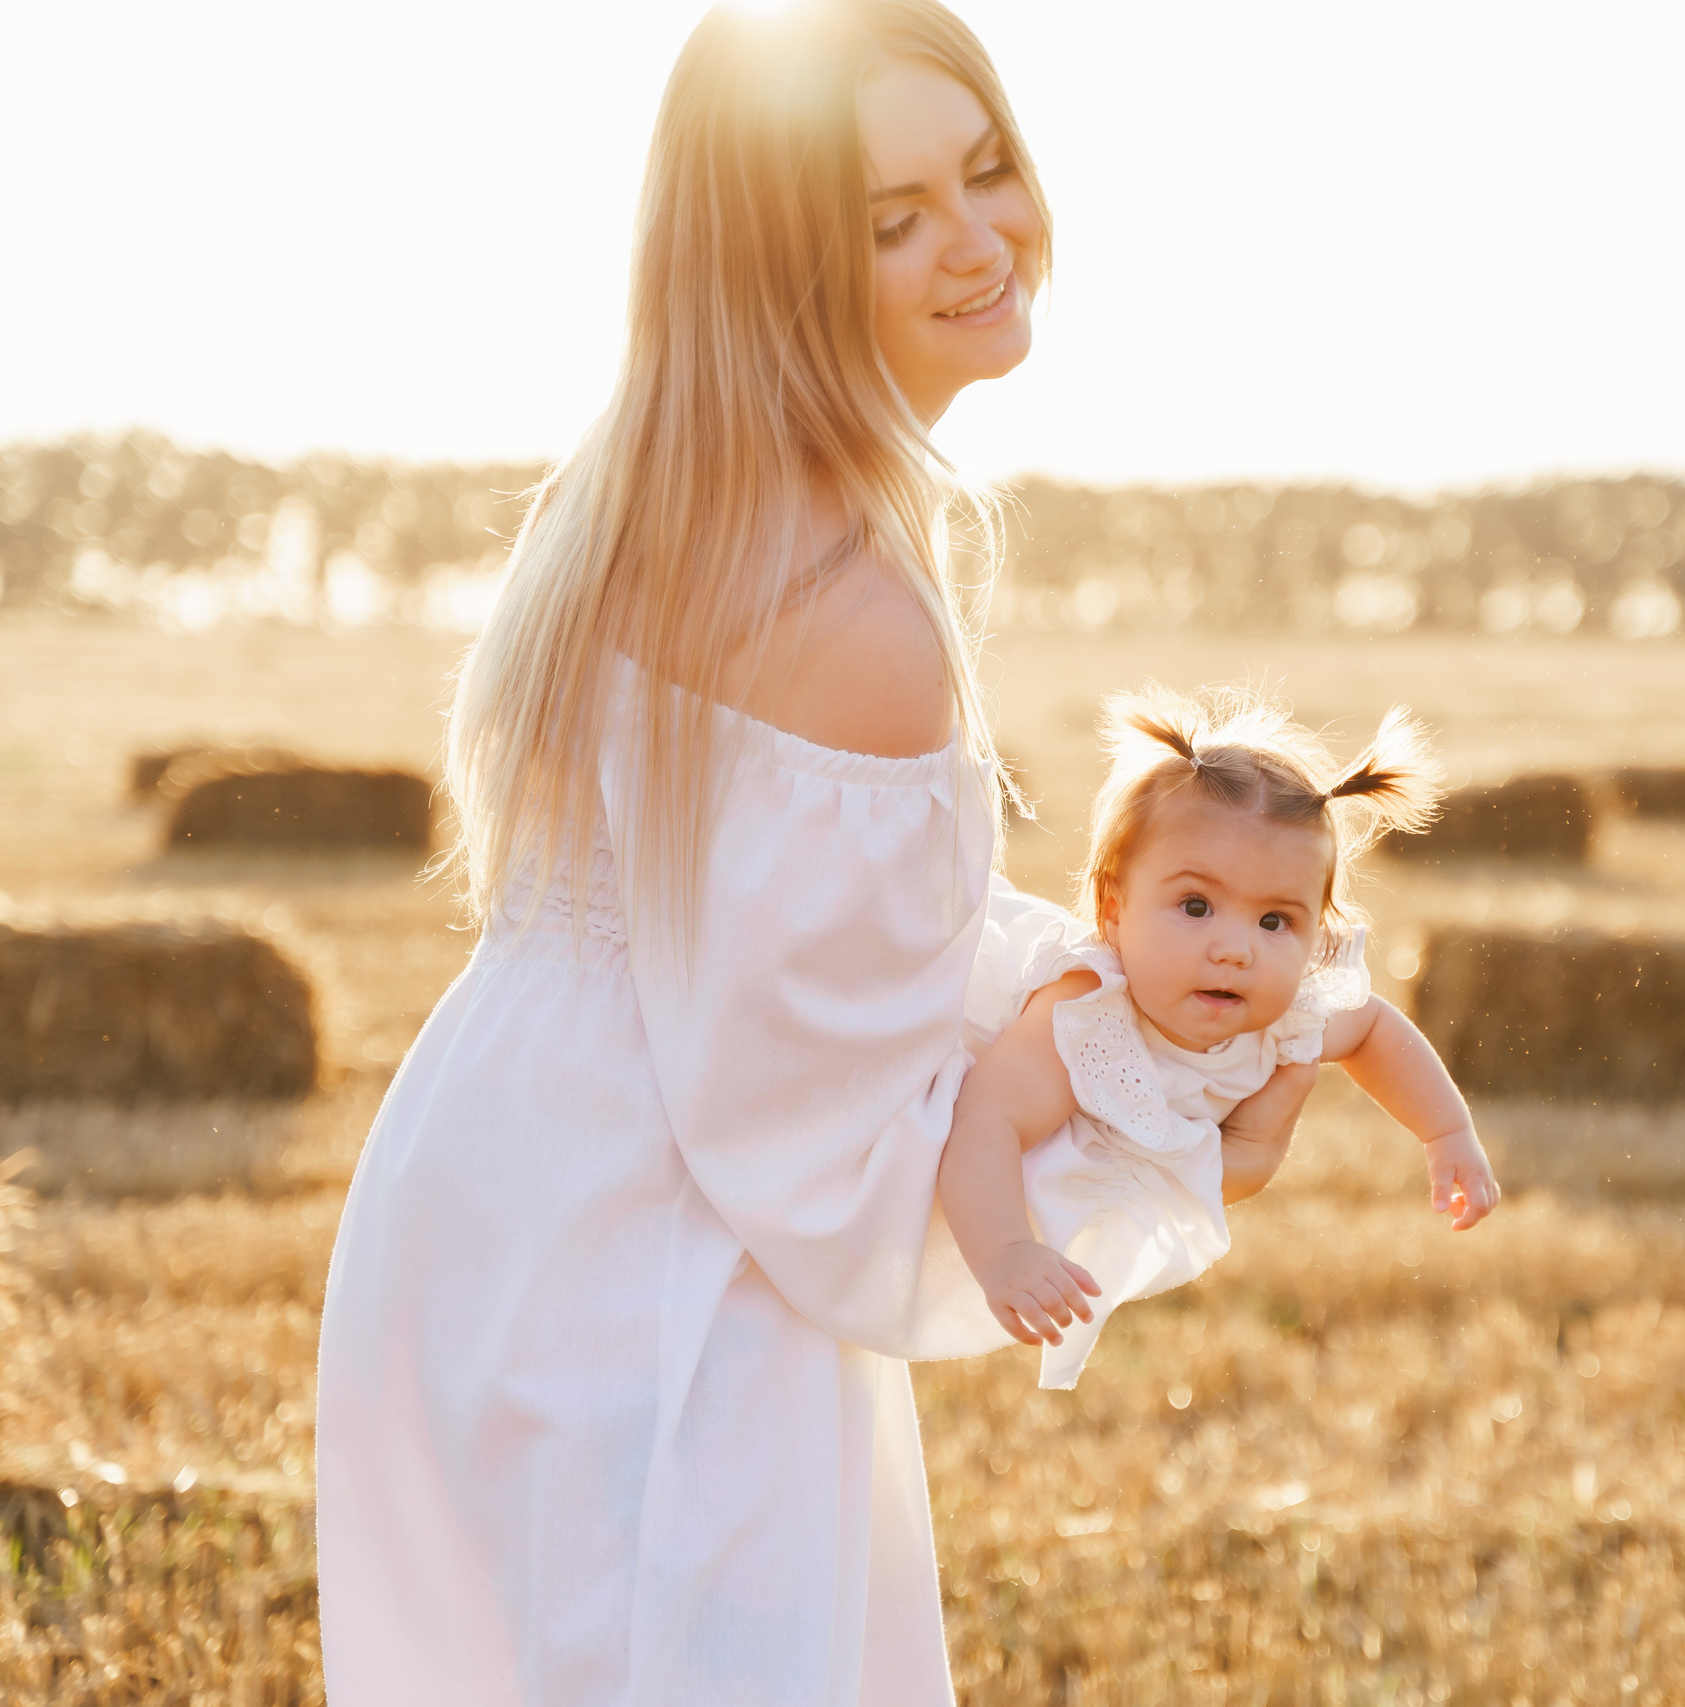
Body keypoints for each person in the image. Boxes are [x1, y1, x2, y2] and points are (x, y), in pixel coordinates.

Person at [312, 6, 1316, 1703]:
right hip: (659, 1270)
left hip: (480, 1202)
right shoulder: (849, 615)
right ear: (774, 268)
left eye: (984, 168)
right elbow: (839, 1174)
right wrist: (1171, 1154)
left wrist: (1122, 987)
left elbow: (811, 945)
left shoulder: (631, 486)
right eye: (889, 220)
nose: (979, 238)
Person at [941, 687, 1503, 1388]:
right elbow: (984, 1122)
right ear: (1114, 909)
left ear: (1315, 935)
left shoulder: (1294, 1008)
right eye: (1196, 906)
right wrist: (1005, 1254)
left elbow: (1376, 1033)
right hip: (949, 1142)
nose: (1235, 948)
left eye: (1275, 921)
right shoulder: (1085, 1016)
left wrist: (1446, 1131)